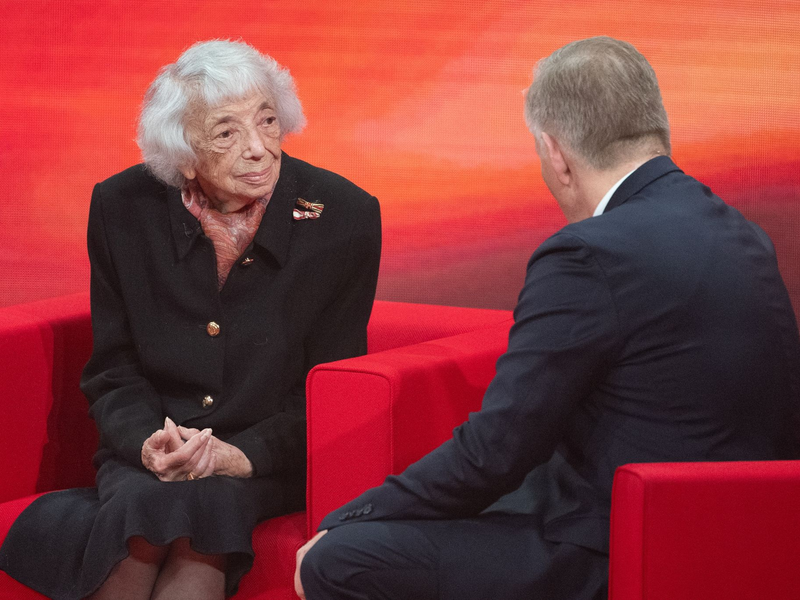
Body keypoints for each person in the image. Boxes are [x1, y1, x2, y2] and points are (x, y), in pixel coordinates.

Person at [294, 36, 800, 600]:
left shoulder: (589, 253)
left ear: (554, 152)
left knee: (341, 561)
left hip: (621, 544)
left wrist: (349, 517)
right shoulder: (739, 232)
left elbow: (495, 453)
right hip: (742, 536)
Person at [0, 39, 381, 600]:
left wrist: (240, 455)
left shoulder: (342, 215)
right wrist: (147, 441)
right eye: (226, 132)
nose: (259, 149)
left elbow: (330, 386)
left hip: (266, 455)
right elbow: (113, 366)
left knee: (205, 508)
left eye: (268, 121)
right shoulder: (121, 207)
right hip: (153, 445)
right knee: (145, 506)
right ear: (181, 153)